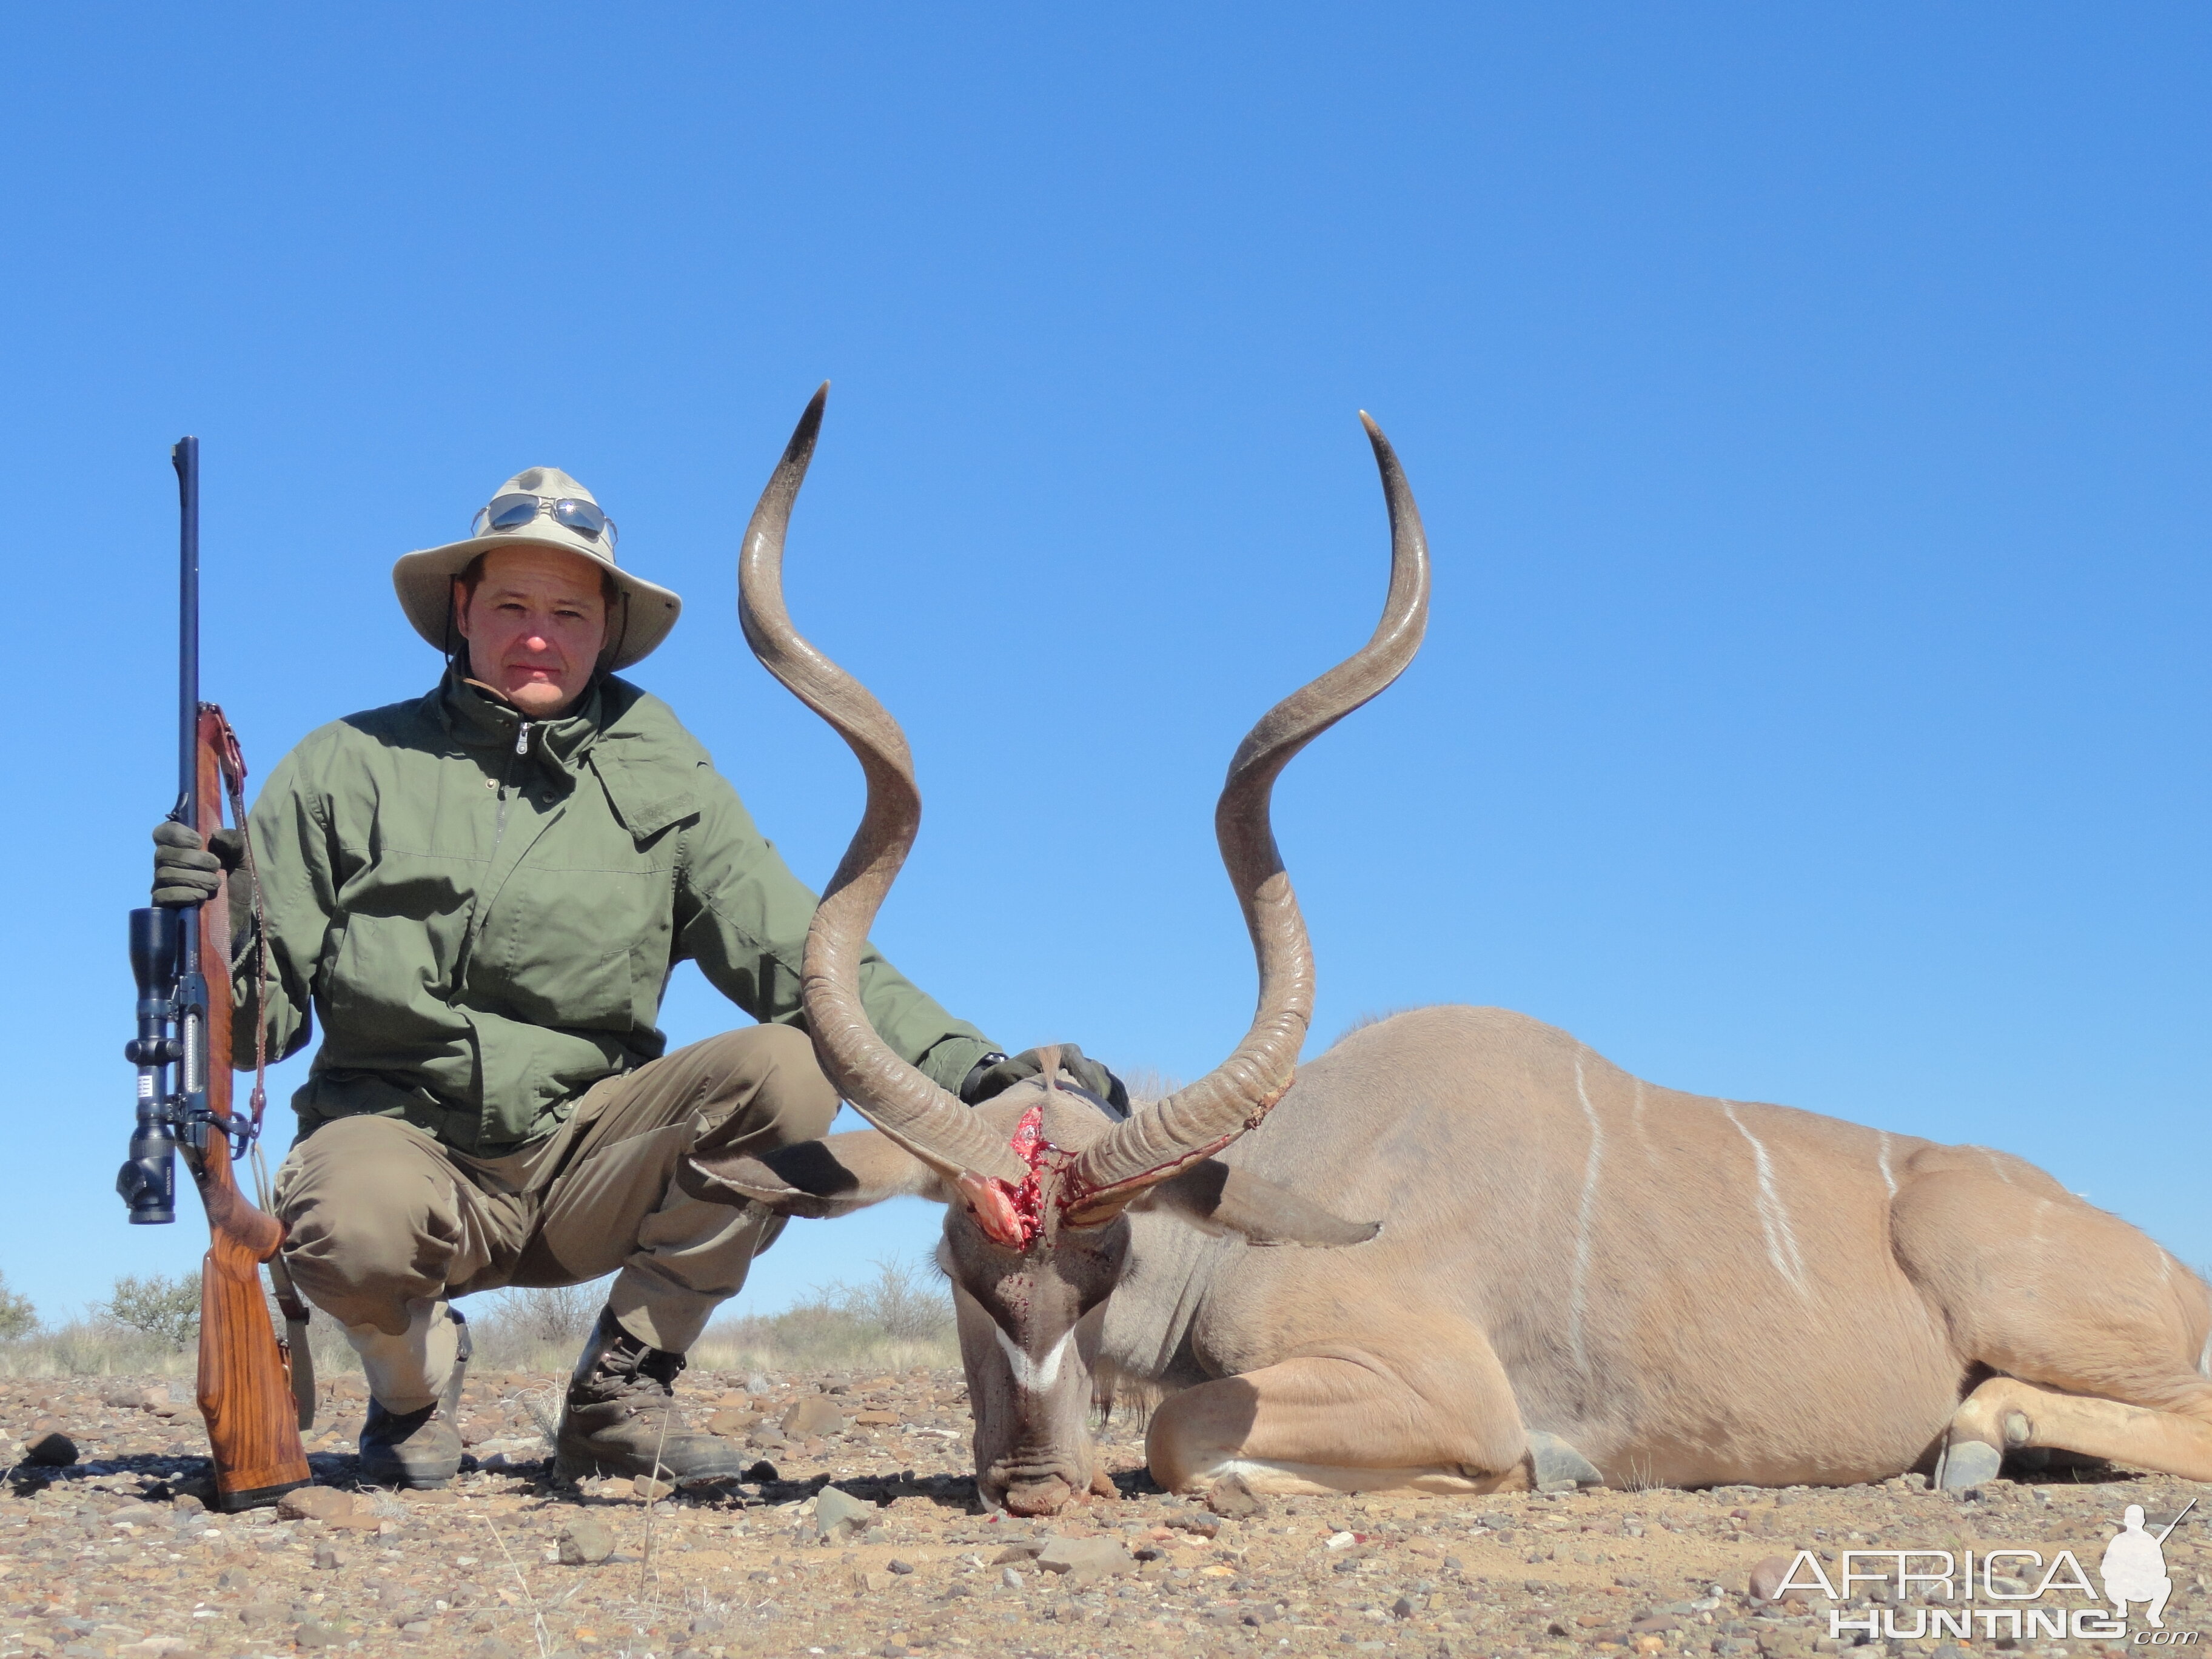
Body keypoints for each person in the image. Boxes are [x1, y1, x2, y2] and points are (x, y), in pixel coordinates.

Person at [149, 466, 1124, 1489]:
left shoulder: (661, 768)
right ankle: (409, 1395)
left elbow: (807, 958)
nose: (539, 634)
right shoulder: (344, 766)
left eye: (569, 610)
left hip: (588, 1157)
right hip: (403, 1143)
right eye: (513, 606)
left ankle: (622, 1392)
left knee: (791, 1069)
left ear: (606, 628)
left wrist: (978, 1076)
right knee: (349, 1224)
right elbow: (257, 1036)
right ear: (460, 613)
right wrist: (218, 920)